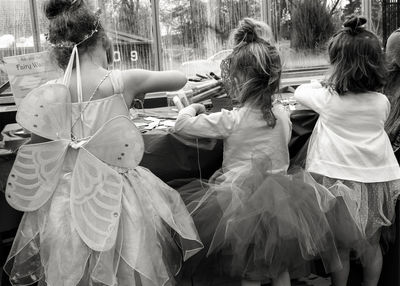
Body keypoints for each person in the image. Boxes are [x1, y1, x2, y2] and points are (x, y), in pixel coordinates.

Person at [3, 0, 202, 285]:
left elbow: (38, 148)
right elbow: (179, 78)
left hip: (67, 200)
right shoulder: (121, 81)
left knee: (74, 270)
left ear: (58, 52)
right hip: (119, 198)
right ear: (104, 40)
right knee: (128, 268)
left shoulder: (46, 92)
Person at [174, 18, 340, 286]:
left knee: (250, 271)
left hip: (239, 206)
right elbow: (284, 144)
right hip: (283, 203)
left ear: (240, 81)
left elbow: (182, 125)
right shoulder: (283, 115)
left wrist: (192, 108)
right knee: (280, 267)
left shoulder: (233, 119)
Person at [294, 15, 400, 286]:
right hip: (376, 182)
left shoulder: (328, 99)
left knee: (340, 247)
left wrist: (322, 84)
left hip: (337, 181)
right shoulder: (382, 102)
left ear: (337, 64)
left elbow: (299, 92)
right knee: (372, 244)